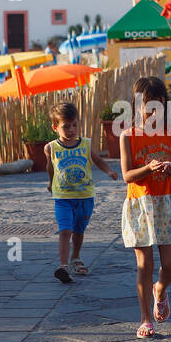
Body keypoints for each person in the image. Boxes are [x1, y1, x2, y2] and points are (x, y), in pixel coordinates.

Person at [120, 76, 171, 339]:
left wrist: (169, 168)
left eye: (160, 105)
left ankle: (160, 290)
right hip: (140, 206)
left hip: (166, 202)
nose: (154, 111)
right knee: (144, 265)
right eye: (149, 106)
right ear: (137, 105)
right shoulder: (128, 136)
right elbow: (127, 175)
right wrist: (147, 168)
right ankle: (145, 319)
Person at [47, 102, 118, 283]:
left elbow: (97, 160)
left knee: (79, 230)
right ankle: (63, 265)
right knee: (65, 230)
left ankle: (75, 257)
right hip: (62, 197)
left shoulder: (85, 144)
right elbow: (51, 168)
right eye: (66, 126)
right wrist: (50, 183)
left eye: (74, 125)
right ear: (55, 127)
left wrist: (108, 170)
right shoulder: (52, 148)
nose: (71, 129)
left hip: (85, 197)